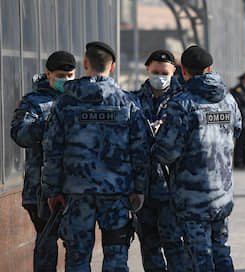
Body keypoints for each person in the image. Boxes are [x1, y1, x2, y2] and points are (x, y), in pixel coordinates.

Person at [42, 41, 149, 272]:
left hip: (77, 193)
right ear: (112, 68)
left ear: (85, 64)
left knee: (77, 259)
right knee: (116, 258)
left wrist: (53, 190)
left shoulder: (65, 103)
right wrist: (138, 189)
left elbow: (52, 150)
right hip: (117, 193)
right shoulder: (127, 103)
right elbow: (140, 151)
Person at [152, 45, 242, 272]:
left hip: (191, 197)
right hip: (222, 193)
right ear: (209, 68)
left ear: (183, 71)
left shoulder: (182, 103)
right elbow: (237, 131)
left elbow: (166, 152)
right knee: (221, 249)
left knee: (198, 254)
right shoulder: (228, 100)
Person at [10, 51, 76, 272]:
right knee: (46, 245)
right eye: (60, 75)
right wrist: (48, 122)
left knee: (77, 248)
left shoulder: (80, 100)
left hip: (75, 187)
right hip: (40, 189)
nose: (65, 80)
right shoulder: (34, 102)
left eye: (70, 75)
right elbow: (20, 135)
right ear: (48, 73)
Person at [130, 49, 187, 272]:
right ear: (147, 70)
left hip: (172, 187)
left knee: (174, 242)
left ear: (174, 71)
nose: (159, 76)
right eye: (155, 71)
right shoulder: (133, 99)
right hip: (143, 187)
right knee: (149, 244)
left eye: (164, 72)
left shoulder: (182, 101)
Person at [230, 71, 245, 169]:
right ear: (243, 80)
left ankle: (244, 160)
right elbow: (242, 103)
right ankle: (238, 161)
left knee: (244, 141)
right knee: (239, 142)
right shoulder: (238, 90)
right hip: (240, 119)